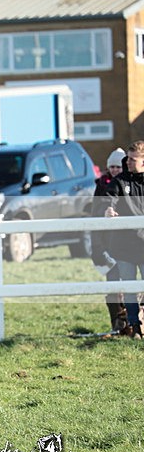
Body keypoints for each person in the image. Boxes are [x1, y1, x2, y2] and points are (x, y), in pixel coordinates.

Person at [103, 141, 144, 339]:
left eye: (133, 159)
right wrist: (109, 209)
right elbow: (110, 198)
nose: (128, 162)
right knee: (128, 287)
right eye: (127, 158)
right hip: (124, 246)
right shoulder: (120, 181)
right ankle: (134, 326)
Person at [90, 148, 128, 332]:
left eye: (118, 166)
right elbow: (95, 212)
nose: (114, 170)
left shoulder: (130, 184)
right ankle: (117, 325)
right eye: (112, 166)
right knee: (113, 284)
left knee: (131, 284)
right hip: (108, 243)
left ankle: (134, 324)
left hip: (129, 242)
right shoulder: (101, 186)